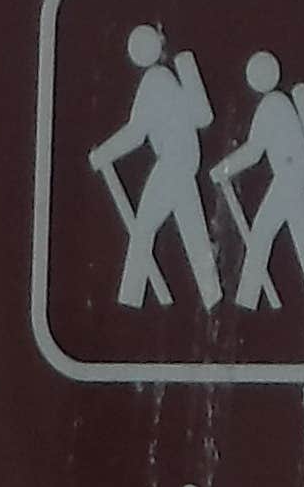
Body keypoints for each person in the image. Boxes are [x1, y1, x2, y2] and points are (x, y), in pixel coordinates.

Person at [84, 24, 222, 309]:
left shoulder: (155, 81)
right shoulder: (170, 78)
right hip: (185, 166)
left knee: (143, 231)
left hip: (172, 166)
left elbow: (137, 132)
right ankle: (213, 300)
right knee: (195, 239)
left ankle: (129, 302)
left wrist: (102, 154)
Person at [211, 49, 304, 314]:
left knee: (263, 233)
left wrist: (224, 169)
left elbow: (254, 151)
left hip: (288, 178)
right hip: (297, 176)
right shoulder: (283, 102)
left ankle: (246, 301)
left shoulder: (271, 106)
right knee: (303, 238)